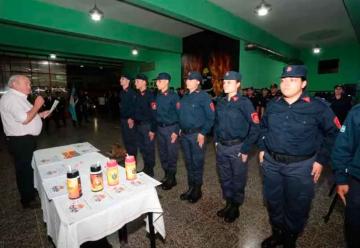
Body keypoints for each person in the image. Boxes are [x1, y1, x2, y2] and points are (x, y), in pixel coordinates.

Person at [258, 65, 339, 248]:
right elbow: (263, 127)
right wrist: (262, 148)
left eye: (292, 80)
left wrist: (321, 160)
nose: (286, 84)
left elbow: (333, 133)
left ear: (304, 83)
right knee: (273, 200)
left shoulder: (318, 107)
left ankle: (290, 237)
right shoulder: (273, 105)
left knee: (297, 204)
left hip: (301, 167)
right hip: (272, 163)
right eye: (284, 80)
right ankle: (277, 232)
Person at [214, 71, 260, 223]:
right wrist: (215, 141)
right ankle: (228, 203)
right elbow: (217, 123)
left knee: (238, 179)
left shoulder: (244, 103)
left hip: (237, 147)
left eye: (229, 82)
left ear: (238, 84)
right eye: (224, 82)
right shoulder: (220, 101)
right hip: (221, 146)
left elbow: (256, 127)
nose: (225, 84)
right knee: (225, 177)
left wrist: (246, 148)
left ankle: (235, 206)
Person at [0, 75, 50, 208]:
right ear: (14, 84)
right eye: (26, 83)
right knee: (24, 169)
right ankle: (27, 200)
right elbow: (24, 119)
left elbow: (28, 115)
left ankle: (31, 191)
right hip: (20, 141)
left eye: (29, 83)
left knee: (29, 167)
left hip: (25, 139)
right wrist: (37, 106)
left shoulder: (19, 98)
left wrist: (40, 114)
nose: (30, 86)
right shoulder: (11, 98)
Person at [177, 71, 215, 203]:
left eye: (189, 79)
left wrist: (203, 133)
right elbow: (181, 116)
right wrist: (180, 129)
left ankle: (197, 190)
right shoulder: (185, 97)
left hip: (196, 135)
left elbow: (211, 117)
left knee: (197, 163)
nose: (186, 81)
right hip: (185, 135)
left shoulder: (204, 97)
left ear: (197, 82)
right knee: (188, 163)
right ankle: (191, 187)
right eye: (187, 79)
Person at [331, 104, 360, 248]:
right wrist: (341, 179)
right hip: (357, 180)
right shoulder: (357, 112)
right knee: (354, 227)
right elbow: (343, 147)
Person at [154, 72, 180, 190]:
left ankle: (172, 178)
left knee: (171, 155)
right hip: (160, 129)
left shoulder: (174, 96)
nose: (156, 83)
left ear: (166, 82)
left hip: (170, 129)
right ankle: (166, 175)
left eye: (159, 81)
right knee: (163, 153)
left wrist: (176, 131)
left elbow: (180, 115)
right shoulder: (158, 95)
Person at [133, 74, 156, 177]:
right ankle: (146, 168)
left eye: (137, 81)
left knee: (149, 149)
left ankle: (150, 171)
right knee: (142, 148)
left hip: (147, 126)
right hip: (138, 126)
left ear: (144, 82)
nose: (135, 83)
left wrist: (152, 129)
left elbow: (154, 113)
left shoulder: (150, 95)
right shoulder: (137, 94)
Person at [119, 74, 137, 157]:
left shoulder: (132, 92)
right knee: (126, 140)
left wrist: (131, 118)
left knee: (131, 141)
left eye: (123, 79)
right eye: (120, 79)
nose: (120, 80)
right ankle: (128, 158)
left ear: (128, 81)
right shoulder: (121, 92)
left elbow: (134, 107)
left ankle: (133, 161)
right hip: (123, 119)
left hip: (129, 120)